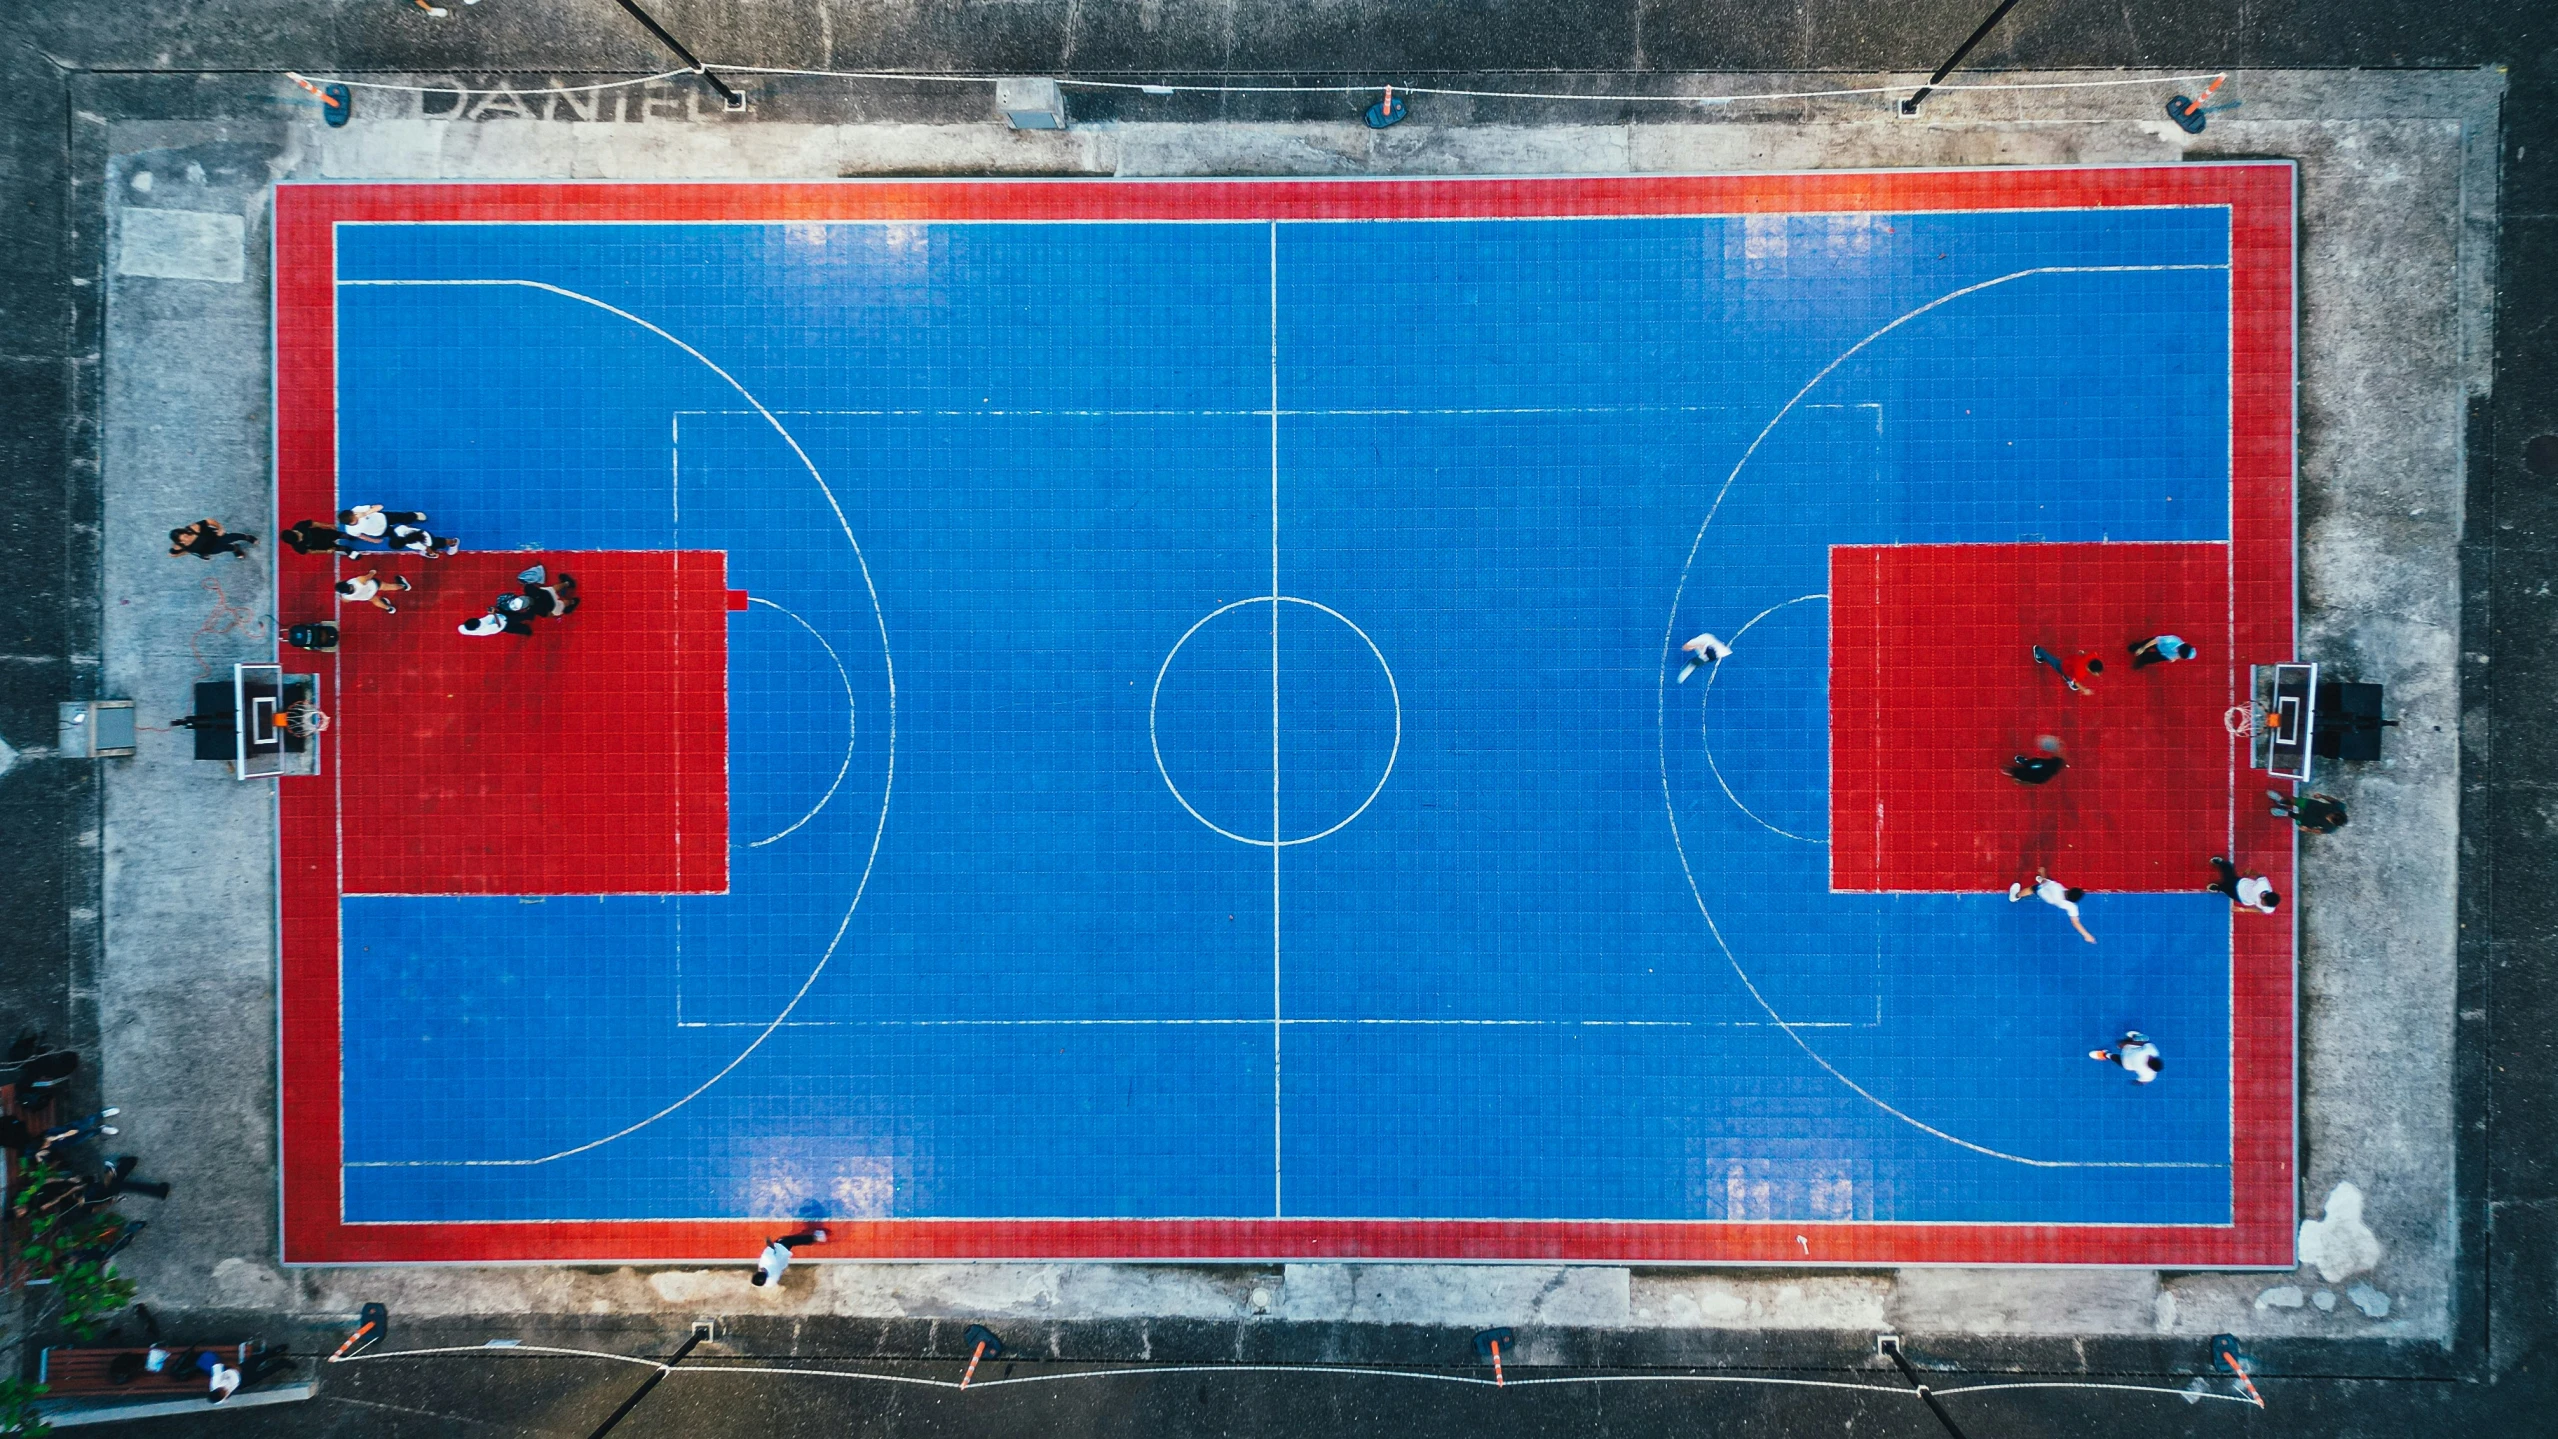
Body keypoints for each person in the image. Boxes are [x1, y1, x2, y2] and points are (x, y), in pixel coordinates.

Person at [2008, 864, 2095, 943]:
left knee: (2032, 889)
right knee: (2046, 883)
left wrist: (2043, 873)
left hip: (2043, 891)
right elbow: (2075, 922)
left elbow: (2045, 882)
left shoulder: (2056, 887)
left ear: (2069, 890)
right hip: (2050, 899)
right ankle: (2038, 879)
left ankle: (2015, 896)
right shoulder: (2072, 907)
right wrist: (2086, 935)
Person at [751, 1227, 830, 1286]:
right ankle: (817, 1237)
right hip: (781, 1247)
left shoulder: (769, 1283)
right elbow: (772, 1247)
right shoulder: (767, 1259)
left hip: (783, 1261)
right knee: (791, 1240)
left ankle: (812, 1238)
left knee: (792, 1242)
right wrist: (767, 1240)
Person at [2208, 856, 2280, 913]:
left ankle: (2219, 887)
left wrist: (2243, 910)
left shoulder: (2269, 907)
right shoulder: (2262, 884)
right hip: (2240, 884)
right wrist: (2249, 872)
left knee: (2227, 891)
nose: (2263, 905)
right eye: (2264, 903)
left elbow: (2260, 910)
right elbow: (2259, 875)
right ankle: (2223, 863)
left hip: (2241, 898)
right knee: (2228, 877)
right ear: (2264, 895)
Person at [2089, 1031, 2164, 1083]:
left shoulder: (2152, 1052)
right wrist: (2124, 1043)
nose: (2150, 1057)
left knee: (2114, 1057)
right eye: (2153, 1057)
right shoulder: (2152, 1053)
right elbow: (2143, 1081)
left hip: (2125, 1061)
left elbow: (2143, 1081)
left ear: (2150, 1066)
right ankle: (2135, 1036)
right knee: (2144, 1039)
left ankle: (2104, 1054)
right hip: (2129, 1050)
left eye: (2150, 1059)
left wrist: (2122, 1044)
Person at [168, 519, 256, 560]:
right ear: (178, 542)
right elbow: (172, 555)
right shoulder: (177, 547)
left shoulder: (194, 528)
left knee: (230, 538)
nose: (186, 540)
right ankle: (236, 548)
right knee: (225, 548)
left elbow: (209, 521)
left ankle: (247, 537)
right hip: (209, 549)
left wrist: (220, 528)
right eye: (182, 540)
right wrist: (186, 552)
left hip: (214, 537)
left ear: (185, 532)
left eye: (186, 536)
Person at [2270, 789, 2349, 834]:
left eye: (2330, 818)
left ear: (2333, 822)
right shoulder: (2340, 807)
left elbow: (2319, 831)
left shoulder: (2330, 829)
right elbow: (2332, 800)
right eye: (2332, 814)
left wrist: (2307, 829)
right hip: (2311, 805)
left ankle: (2286, 813)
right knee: (2293, 800)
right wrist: (2321, 796)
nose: (2329, 815)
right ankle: (2281, 800)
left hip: (2309, 820)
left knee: (2296, 817)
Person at [2031, 645, 2102, 694]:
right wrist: (2084, 690)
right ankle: (2038, 651)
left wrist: (2082, 653)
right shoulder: (2079, 672)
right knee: (2053, 662)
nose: (2098, 674)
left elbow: (2085, 653)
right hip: (2065, 667)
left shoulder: (2094, 656)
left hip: (2072, 660)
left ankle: (2067, 678)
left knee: (2070, 676)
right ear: (2091, 670)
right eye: (2096, 673)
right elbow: (2076, 682)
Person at [335, 570, 411, 614]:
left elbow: (345, 601)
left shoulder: (345, 597)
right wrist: (372, 572)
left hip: (367, 596)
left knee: (375, 600)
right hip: (374, 586)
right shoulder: (359, 581)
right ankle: (405, 586)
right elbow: (369, 576)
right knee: (388, 587)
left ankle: (390, 609)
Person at [280, 519, 372, 555]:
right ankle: (350, 551)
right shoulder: (298, 547)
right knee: (340, 548)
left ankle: (352, 537)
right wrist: (326, 551)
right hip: (323, 545)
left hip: (326, 534)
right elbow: (311, 551)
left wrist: (328, 526)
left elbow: (315, 524)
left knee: (341, 535)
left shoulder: (299, 526)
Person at [337, 505, 425, 542]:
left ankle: (414, 515)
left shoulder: (357, 509)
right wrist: (373, 540)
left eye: (353, 513)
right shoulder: (351, 530)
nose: (356, 514)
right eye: (354, 516)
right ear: (350, 522)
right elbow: (361, 536)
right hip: (380, 532)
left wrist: (365, 513)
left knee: (403, 517)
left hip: (384, 518)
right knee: (396, 537)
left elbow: (380, 507)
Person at [388, 523, 459, 559]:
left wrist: (432, 554)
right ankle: (452, 542)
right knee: (436, 541)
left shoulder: (413, 545)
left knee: (439, 542)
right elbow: (407, 526)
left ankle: (454, 542)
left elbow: (427, 548)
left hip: (429, 541)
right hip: (422, 533)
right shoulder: (398, 530)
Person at [2129, 634, 2198, 669]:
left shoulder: (2184, 654)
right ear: (2178, 649)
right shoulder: (2172, 639)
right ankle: (2136, 647)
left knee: (2151, 659)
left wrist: (2173, 659)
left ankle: (2143, 659)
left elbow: (2180, 657)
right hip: (2157, 644)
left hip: (2165, 655)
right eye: (2179, 655)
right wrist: (2143, 648)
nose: (2179, 657)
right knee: (2143, 645)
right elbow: (2155, 641)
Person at [459, 608, 531, 638]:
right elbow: (498, 625)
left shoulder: (464, 628)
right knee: (516, 622)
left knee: (515, 627)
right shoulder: (486, 629)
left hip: (497, 618)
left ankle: (525, 629)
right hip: (503, 624)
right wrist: (494, 614)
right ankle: (527, 629)